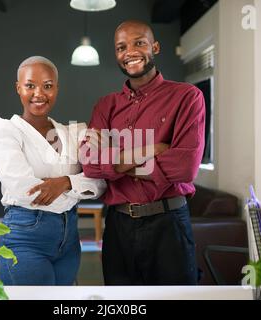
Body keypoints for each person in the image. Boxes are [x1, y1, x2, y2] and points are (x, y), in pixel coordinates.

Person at [81, 20, 206, 285]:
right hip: (118, 226)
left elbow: (184, 168)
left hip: (168, 223)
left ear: (155, 47)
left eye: (139, 42)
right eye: (121, 47)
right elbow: (90, 164)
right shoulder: (106, 106)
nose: (130, 52)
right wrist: (151, 150)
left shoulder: (187, 97)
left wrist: (114, 156)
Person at [0, 56, 106, 285]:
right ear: (18, 87)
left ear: (57, 88)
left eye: (47, 86)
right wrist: (78, 183)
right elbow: (26, 191)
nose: (39, 93)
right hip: (26, 236)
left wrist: (64, 183)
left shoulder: (74, 132)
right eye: (30, 85)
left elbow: (99, 182)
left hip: (69, 239)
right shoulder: (3, 131)